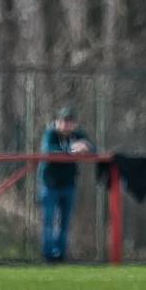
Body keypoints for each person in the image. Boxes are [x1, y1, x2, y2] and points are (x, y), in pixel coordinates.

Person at [38, 106, 95, 262]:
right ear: (57, 122)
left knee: (65, 222)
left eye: (70, 122)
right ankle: (48, 256)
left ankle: (60, 255)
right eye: (64, 121)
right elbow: (49, 150)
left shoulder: (78, 135)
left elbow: (93, 149)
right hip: (49, 185)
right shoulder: (50, 133)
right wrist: (71, 150)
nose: (67, 125)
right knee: (48, 221)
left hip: (69, 185)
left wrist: (86, 146)